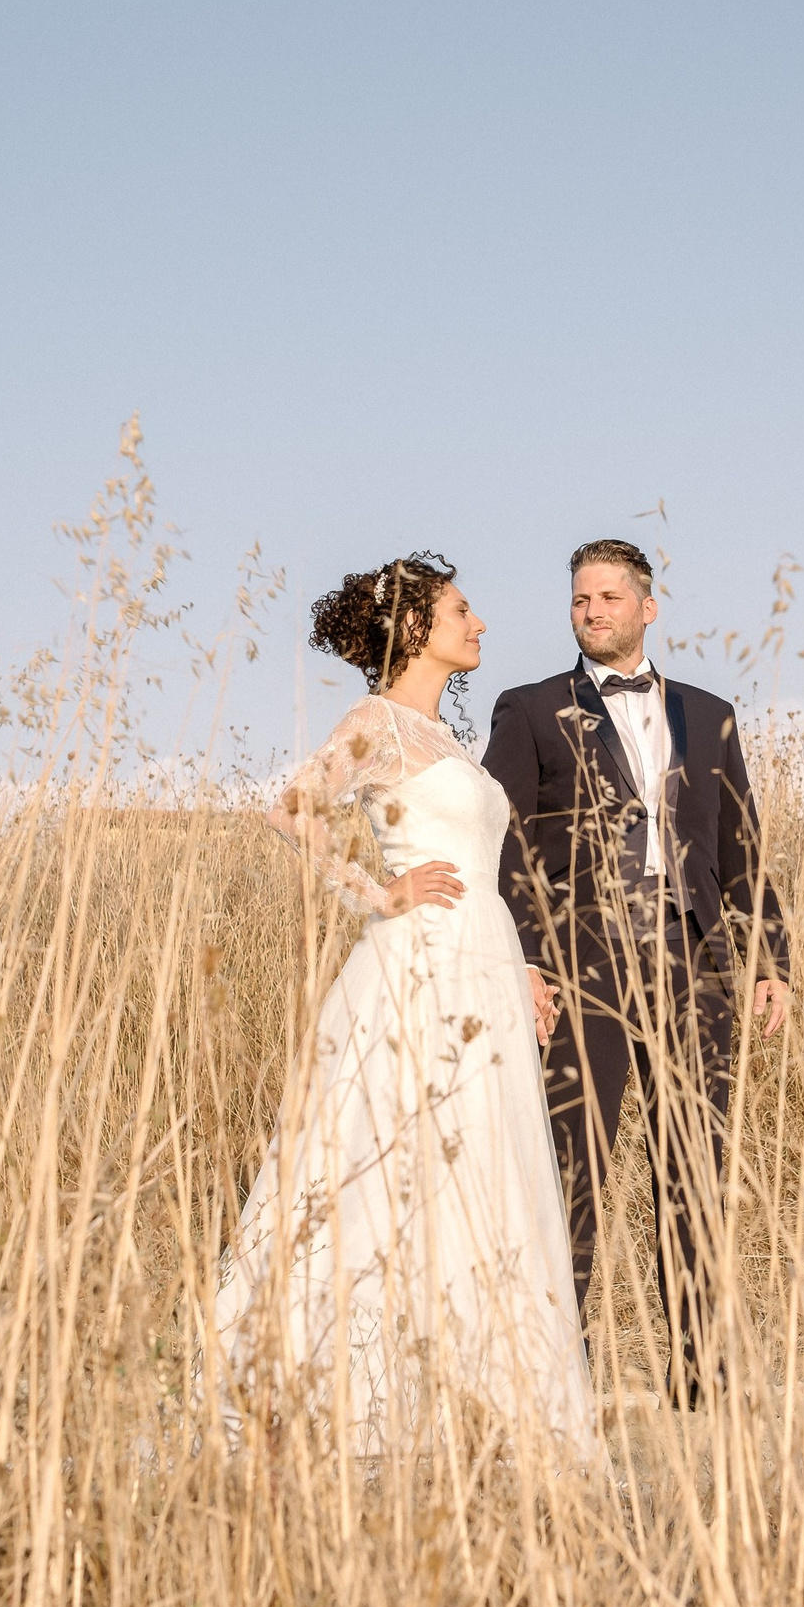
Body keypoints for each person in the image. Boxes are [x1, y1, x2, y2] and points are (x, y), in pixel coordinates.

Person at [215, 553, 593, 1453]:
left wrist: (526, 972)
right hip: (417, 966)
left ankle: (471, 1387)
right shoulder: (377, 722)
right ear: (417, 627)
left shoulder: (446, 738)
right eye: (462, 609)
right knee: (395, 1158)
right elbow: (291, 808)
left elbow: (479, 869)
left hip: (485, 962)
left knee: (478, 1162)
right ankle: (363, 1386)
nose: (481, 623)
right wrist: (375, 891)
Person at [481, 539, 790, 1410]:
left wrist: (769, 959)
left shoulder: (711, 712)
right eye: (582, 598)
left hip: (696, 966)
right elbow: (503, 844)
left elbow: (742, 845)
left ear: (647, 607)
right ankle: (556, 1381)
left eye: (610, 596)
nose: (593, 610)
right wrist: (526, 958)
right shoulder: (531, 709)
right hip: (583, 969)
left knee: (696, 1172)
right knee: (571, 1173)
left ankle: (702, 1379)